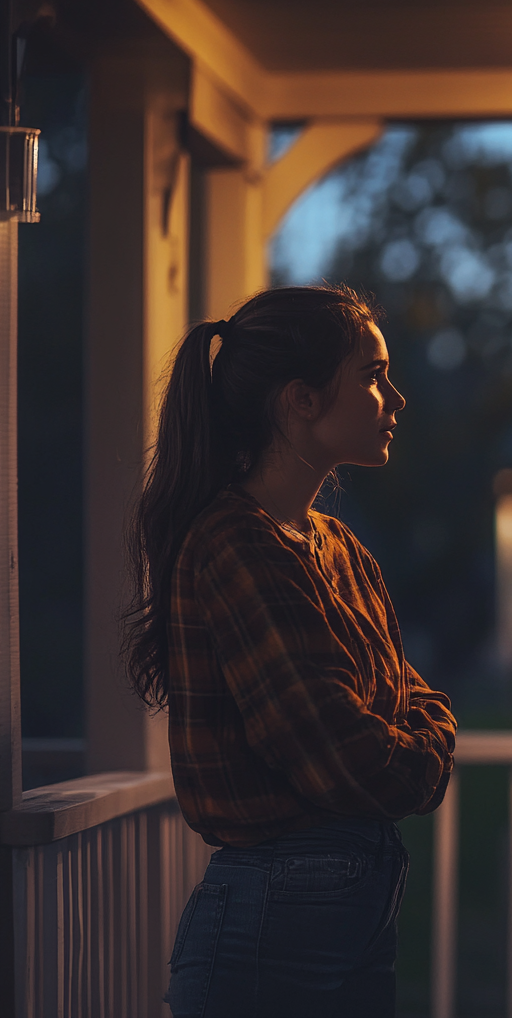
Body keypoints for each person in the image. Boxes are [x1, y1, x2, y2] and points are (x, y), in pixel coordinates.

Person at [123, 285, 456, 1018]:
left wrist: (418, 737)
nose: (394, 399)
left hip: (349, 903)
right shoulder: (235, 544)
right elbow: (335, 749)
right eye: (372, 376)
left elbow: (414, 696)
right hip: (276, 913)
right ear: (299, 400)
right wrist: (428, 758)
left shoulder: (335, 547)